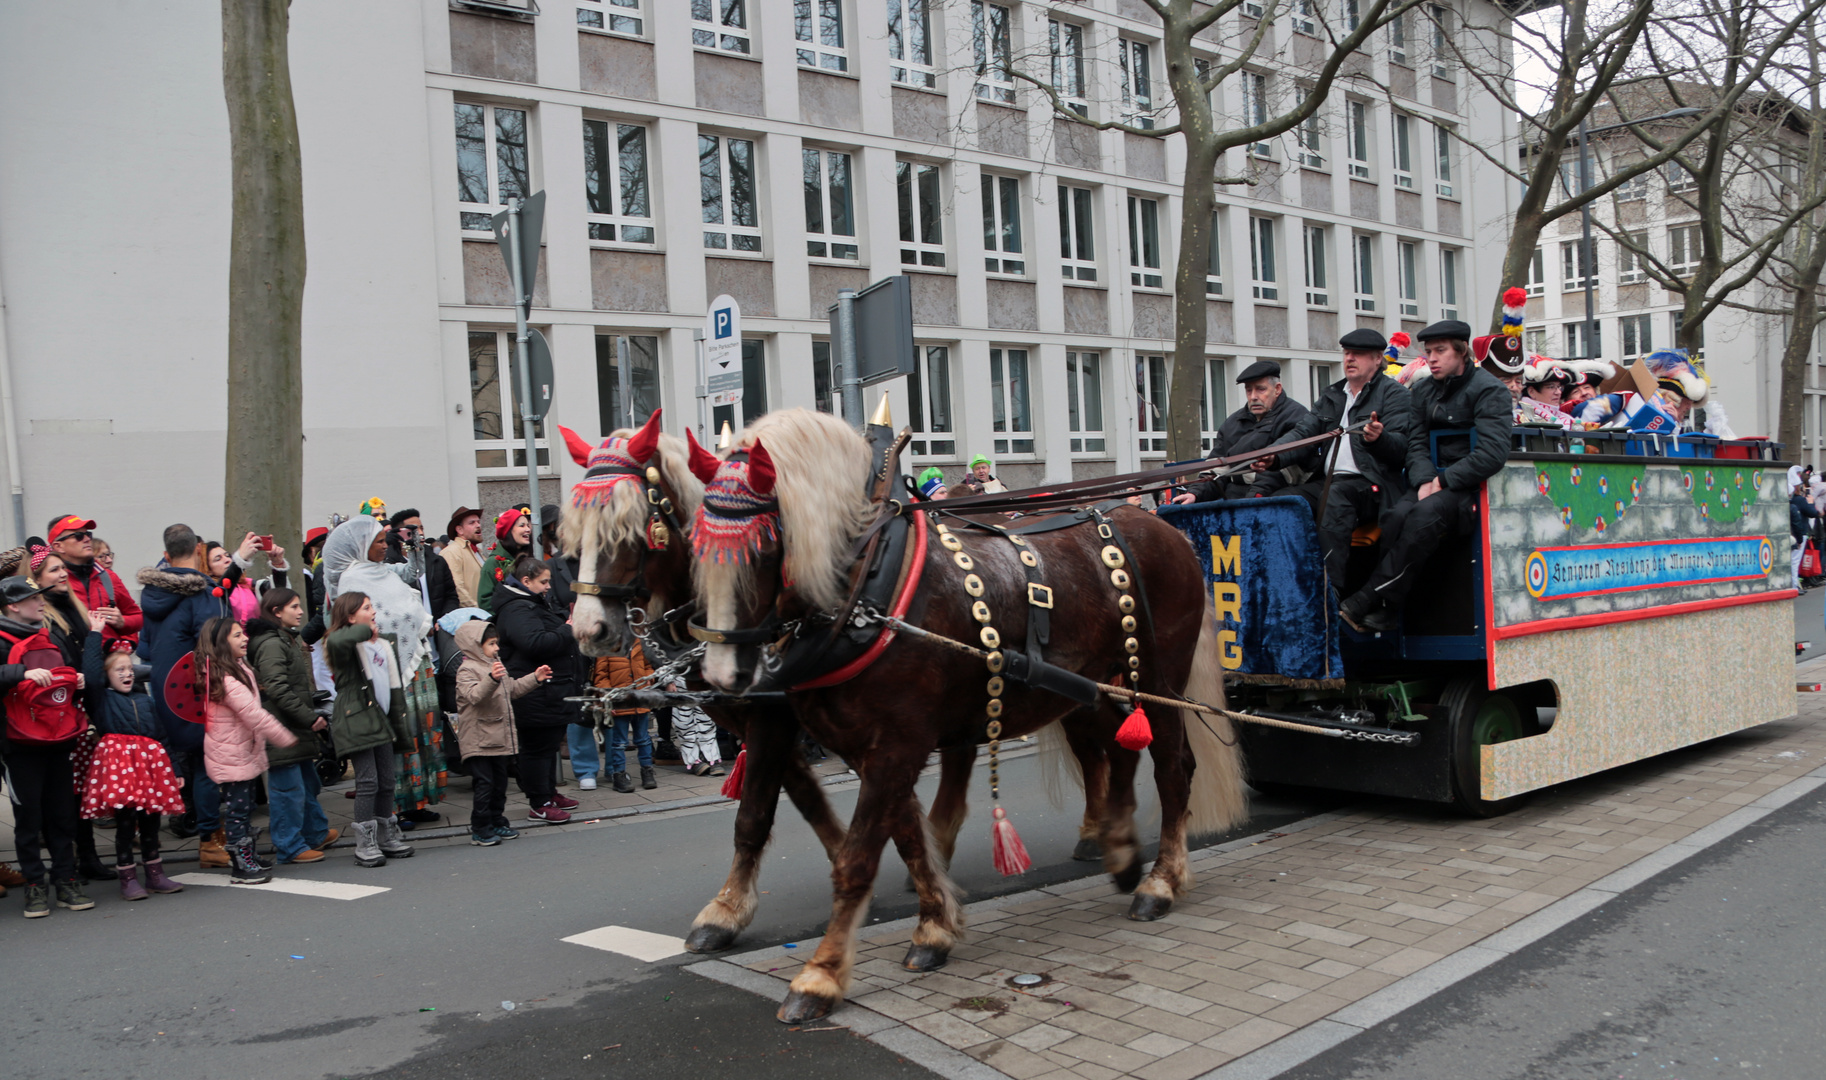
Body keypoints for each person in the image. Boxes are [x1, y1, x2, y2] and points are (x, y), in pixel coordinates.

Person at [1339, 319, 1514, 633]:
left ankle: (1369, 598)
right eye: (1428, 351)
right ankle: (1391, 609)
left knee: (1423, 517)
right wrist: (1423, 480)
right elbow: (1416, 442)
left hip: (1471, 489)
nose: (1431, 358)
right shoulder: (1421, 390)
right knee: (1393, 517)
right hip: (1429, 482)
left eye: (1440, 351)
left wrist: (1443, 482)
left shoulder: (1490, 390)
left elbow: (1492, 453)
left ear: (1461, 353)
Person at [1262, 328, 1412, 590]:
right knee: (1283, 501)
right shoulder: (1332, 395)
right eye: (1346, 353)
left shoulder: (1394, 394)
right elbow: (1303, 433)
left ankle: (1329, 597)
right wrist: (1273, 455)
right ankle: (1286, 586)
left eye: (1358, 354)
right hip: (1330, 482)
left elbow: (1401, 448)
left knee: (1337, 496)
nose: (1350, 359)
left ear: (1378, 359)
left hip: (1372, 484)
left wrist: (1379, 438)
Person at [321, 517, 446, 826]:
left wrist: (416, 548)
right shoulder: (352, 579)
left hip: (416, 662)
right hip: (385, 667)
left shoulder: (383, 571)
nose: (384, 547)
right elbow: (367, 624)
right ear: (361, 545)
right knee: (397, 735)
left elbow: (412, 573)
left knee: (420, 730)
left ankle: (417, 800)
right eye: (378, 542)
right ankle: (394, 808)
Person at [137, 523, 236, 849]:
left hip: (166, 690)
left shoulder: (151, 596)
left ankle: (200, 829)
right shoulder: (203, 593)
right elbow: (218, 642)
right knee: (208, 767)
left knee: (189, 763)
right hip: (200, 687)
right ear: (198, 550)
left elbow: (146, 649)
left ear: (166, 555)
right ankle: (211, 838)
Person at [0, 575, 92, 917]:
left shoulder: (49, 635)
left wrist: (76, 680)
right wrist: (19, 673)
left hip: (56, 737)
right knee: (28, 818)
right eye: (33, 598)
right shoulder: (2, 639)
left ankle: (66, 880)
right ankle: (35, 886)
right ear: (13, 605)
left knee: (62, 814)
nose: (42, 602)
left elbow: (66, 675)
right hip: (18, 744)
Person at [78, 612, 186, 900]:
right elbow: (89, 674)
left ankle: (155, 874)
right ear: (107, 676)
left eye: (129, 669)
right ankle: (127, 877)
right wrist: (95, 633)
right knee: (125, 824)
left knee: (151, 821)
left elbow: (162, 738)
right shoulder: (102, 699)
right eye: (118, 670)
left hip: (149, 768)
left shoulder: (145, 701)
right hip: (120, 769)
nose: (126, 674)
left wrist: (175, 770)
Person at [194, 617, 298, 884]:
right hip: (231, 754)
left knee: (246, 805)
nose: (245, 639)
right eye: (237, 635)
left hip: (240, 750)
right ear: (221, 643)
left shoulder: (236, 667)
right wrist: (283, 736)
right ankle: (241, 865)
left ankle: (247, 855)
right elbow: (253, 713)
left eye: (243, 634)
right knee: (238, 810)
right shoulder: (225, 678)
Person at [30, 543, 111, 882]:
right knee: (67, 794)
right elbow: (78, 669)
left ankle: (87, 857)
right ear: (36, 580)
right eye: (54, 570)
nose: (63, 573)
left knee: (80, 790)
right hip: (62, 713)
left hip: (81, 711)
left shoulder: (72, 607)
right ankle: (70, 862)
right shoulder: (45, 618)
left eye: (63, 568)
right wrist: (94, 637)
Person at [322, 591, 417, 867]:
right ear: (351, 616)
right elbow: (338, 637)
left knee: (387, 781)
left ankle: (386, 836)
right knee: (367, 782)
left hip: (380, 719)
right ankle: (365, 842)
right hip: (357, 720)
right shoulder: (343, 642)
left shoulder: (380, 643)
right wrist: (363, 630)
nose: (373, 611)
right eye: (366, 607)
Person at [248, 589, 339, 864]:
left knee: (306, 783)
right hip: (281, 726)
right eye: (294, 607)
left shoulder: (284, 639)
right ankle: (289, 846)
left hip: (292, 725)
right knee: (287, 790)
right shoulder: (272, 643)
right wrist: (308, 717)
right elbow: (277, 687)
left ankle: (315, 832)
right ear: (277, 612)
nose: (300, 612)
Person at [494, 555, 583, 821]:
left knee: (548, 745)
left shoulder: (530, 604)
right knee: (536, 749)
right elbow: (534, 643)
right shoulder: (517, 609)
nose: (547, 587)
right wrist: (568, 629)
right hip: (535, 692)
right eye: (543, 582)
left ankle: (548, 792)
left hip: (550, 690)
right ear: (525, 581)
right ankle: (539, 802)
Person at [453, 619, 549, 845]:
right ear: (476, 645)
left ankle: (497, 820)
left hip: (497, 737)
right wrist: (491, 679)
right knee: (484, 784)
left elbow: (512, 689)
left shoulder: (495, 664)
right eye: (492, 644)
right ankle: (480, 827)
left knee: (499, 783)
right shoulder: (466, 669)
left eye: (497, 643)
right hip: (478, 739)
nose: (497, 648)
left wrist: (534, 678)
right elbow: (475, 696)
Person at [1173, 360, 1313, 504]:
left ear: (1277, 389)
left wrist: (1250, 502)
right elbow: (1216, 469)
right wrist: (1194, 494)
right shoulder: (1233, 423)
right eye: (1248, 390)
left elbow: (1280, 474)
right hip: (1232, 496)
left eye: (1261, 389)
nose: (1253, 396)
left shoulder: (1296, 417)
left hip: (1276, 499)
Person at [49, 515, 142, 654]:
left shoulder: (108, 577)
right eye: (78, 536)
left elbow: (138, 618)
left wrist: (122, 622)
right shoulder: (54, 581)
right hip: (74, 665)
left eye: (88, 534)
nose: (87, 539)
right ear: (58, 546)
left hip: (109, 664)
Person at [591, 641, 656, 792]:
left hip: (640, 701)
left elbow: (648, 667)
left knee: (644, 739)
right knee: (619, 742)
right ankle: (619, 775)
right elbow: (601, 676)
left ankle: (647, 772)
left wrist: (648, 680)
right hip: (619, 702)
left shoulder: (640, 643)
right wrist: (609, 698)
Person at [477, 505, 533, 614]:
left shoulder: (528, 560)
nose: (528, 529)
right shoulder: (492, 563)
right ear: (508, 531)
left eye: (528, 525)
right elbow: (485, 603)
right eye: (522, 525)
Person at [428, 506, 483, 617]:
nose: (478, 525)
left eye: (478, 522)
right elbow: (457, 589)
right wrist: (479, 611)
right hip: (470, 618)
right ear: (459, 530)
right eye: (472, 523)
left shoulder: (478, 552)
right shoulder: (452, 552)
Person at [1518, 361, 1576, 428]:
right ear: (1531, 392)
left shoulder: (1567, 418)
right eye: (1551, 387)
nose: (1558, 392)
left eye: (1559, 387)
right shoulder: (1522, 416)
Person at [1792, 476, 1819, 586]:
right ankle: (1795, 584)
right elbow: (1813, 513)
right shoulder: (1801, 500)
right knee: (1796, 560)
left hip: (1792, 532)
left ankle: (1795, 583)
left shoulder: (1792, 500)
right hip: (1801, 531)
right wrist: (1811, 502)